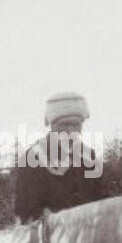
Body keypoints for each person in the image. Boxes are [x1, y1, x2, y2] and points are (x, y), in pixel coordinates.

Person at [14, 92, 103, 223]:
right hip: (47, 232)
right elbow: (27, 206)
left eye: (76, 125)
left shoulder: (89, 156)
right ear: (52, 125)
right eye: (64, 124)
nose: (71, 130)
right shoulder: (33, 157)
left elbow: (101, 199)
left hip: (87, 231)